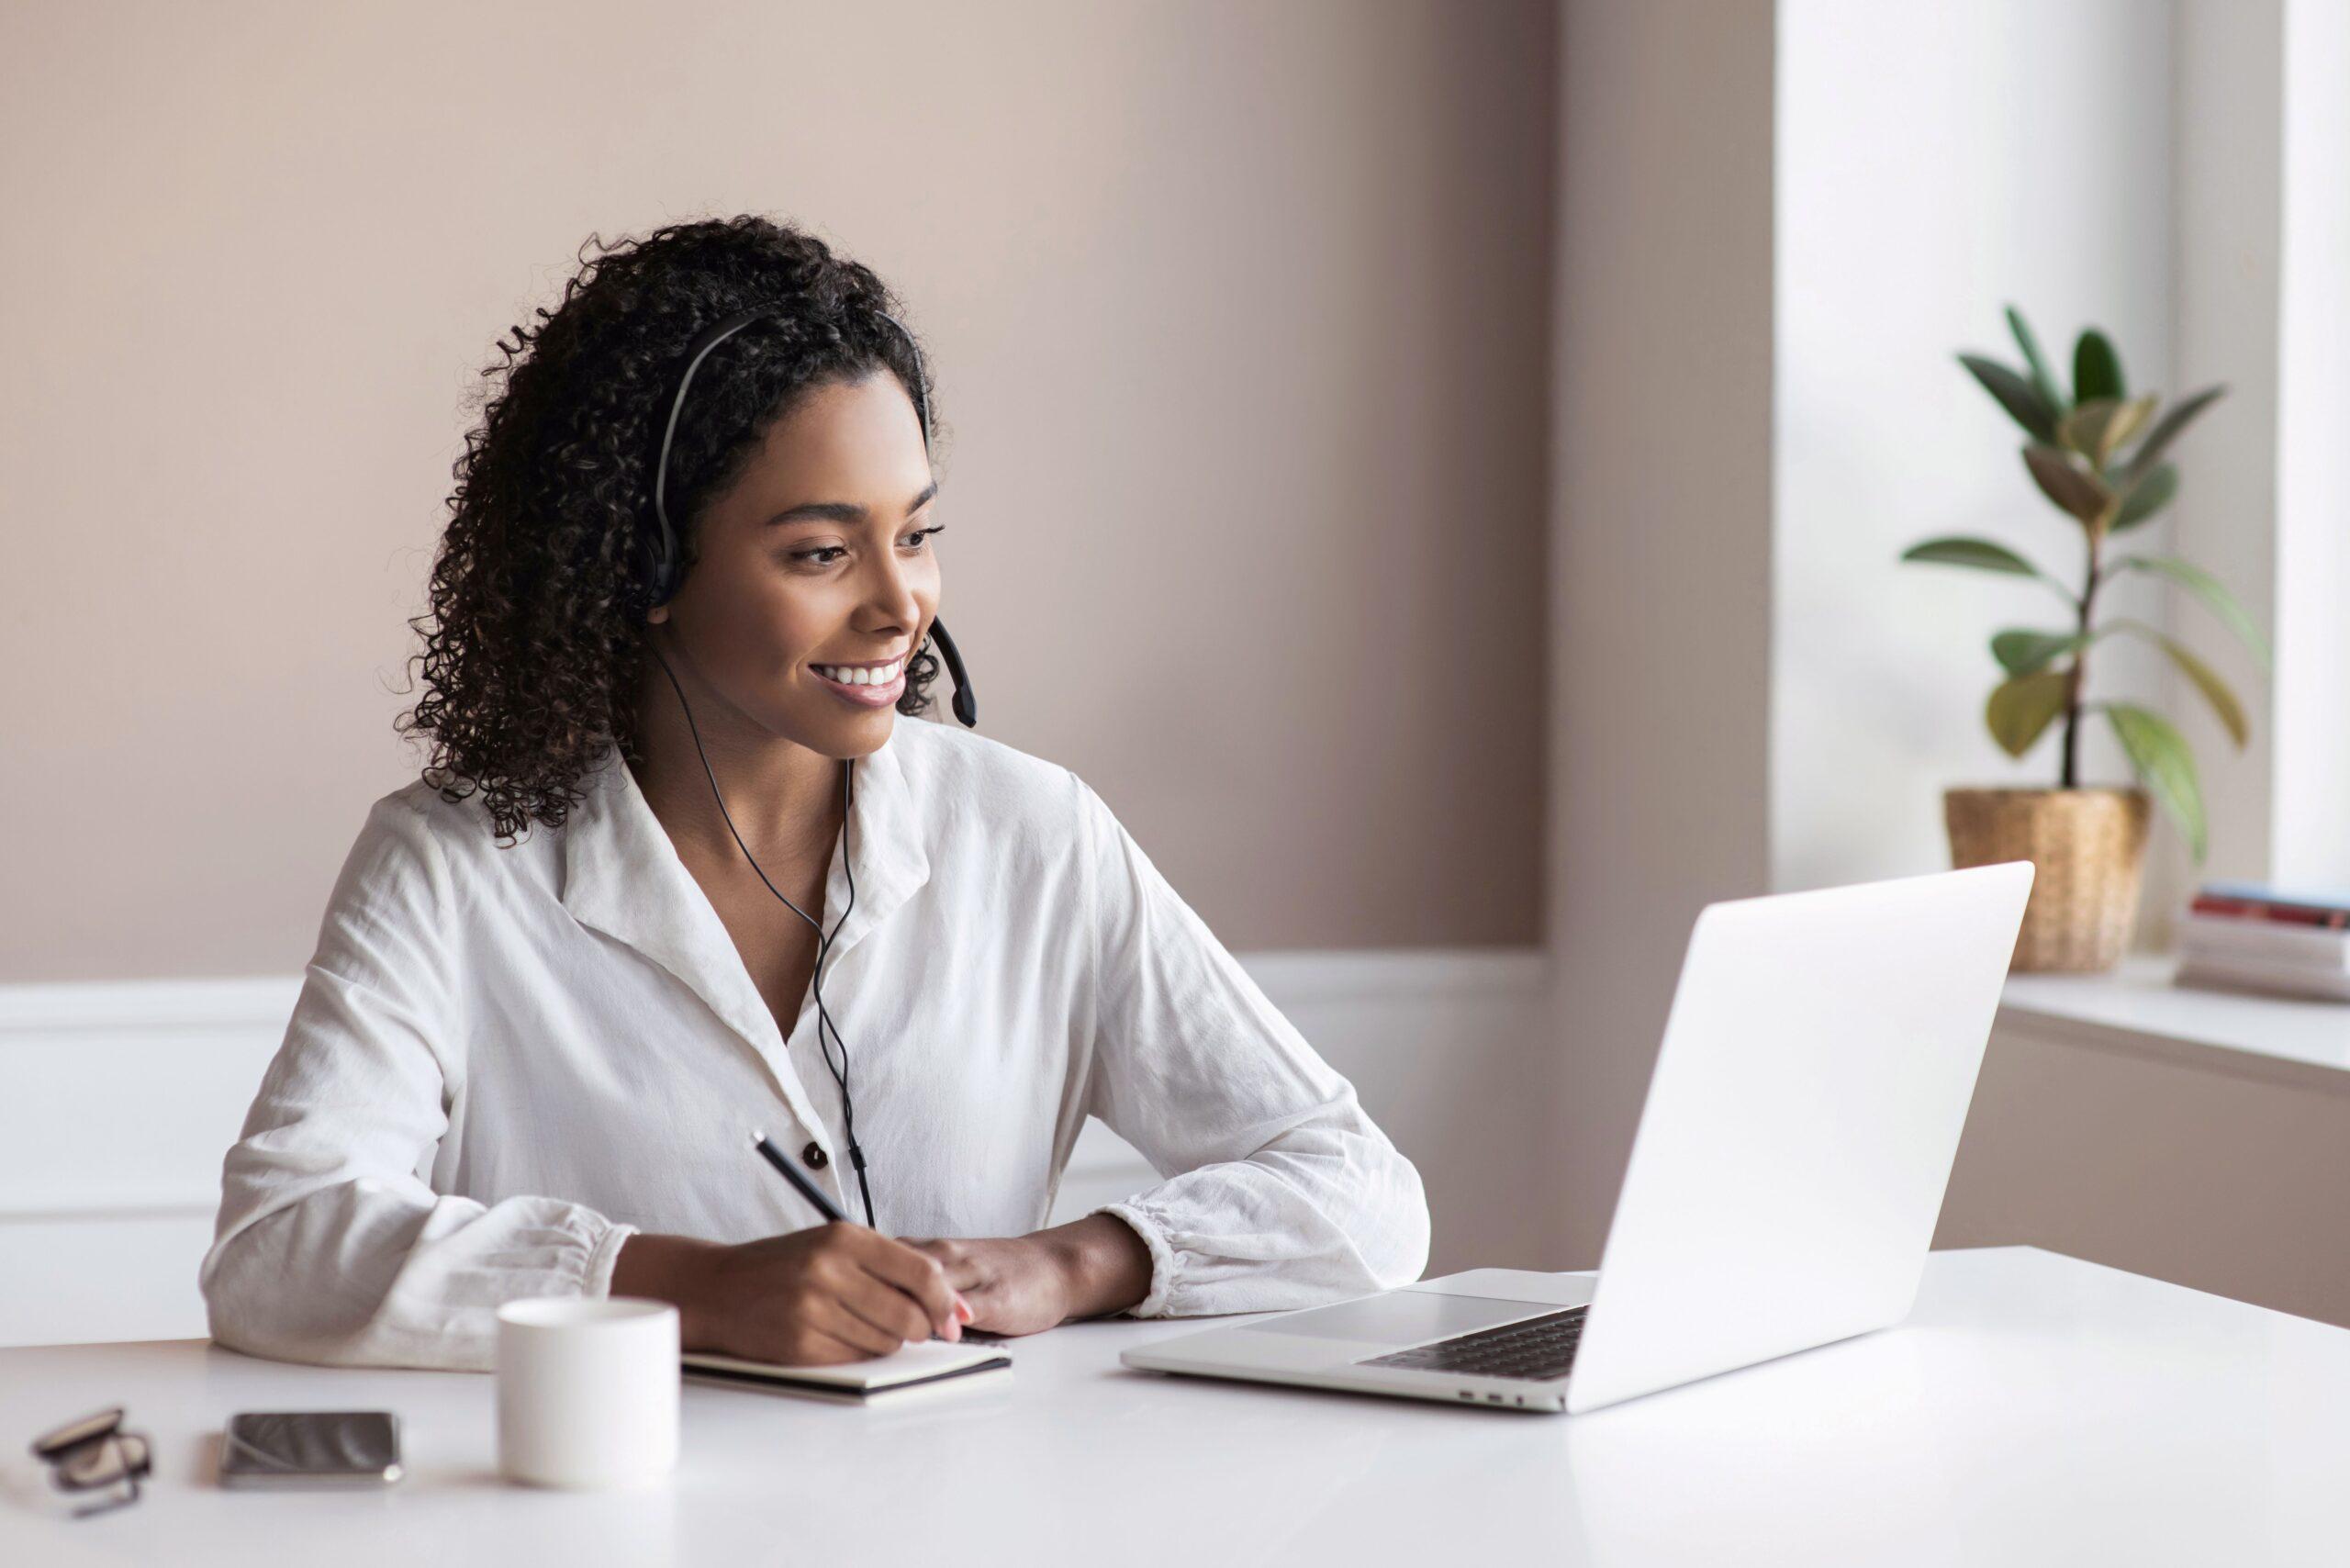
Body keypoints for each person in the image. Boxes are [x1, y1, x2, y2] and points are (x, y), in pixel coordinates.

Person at [198, 215, 1430, 1372]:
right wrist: (685, 1286)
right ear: (648, 565)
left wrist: (1076, 1263)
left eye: (918, 534)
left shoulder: (1034, 838)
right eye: (822, 553)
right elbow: (278, 1246)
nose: (900, 606)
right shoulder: (454, 865)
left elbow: (1360, 1195)